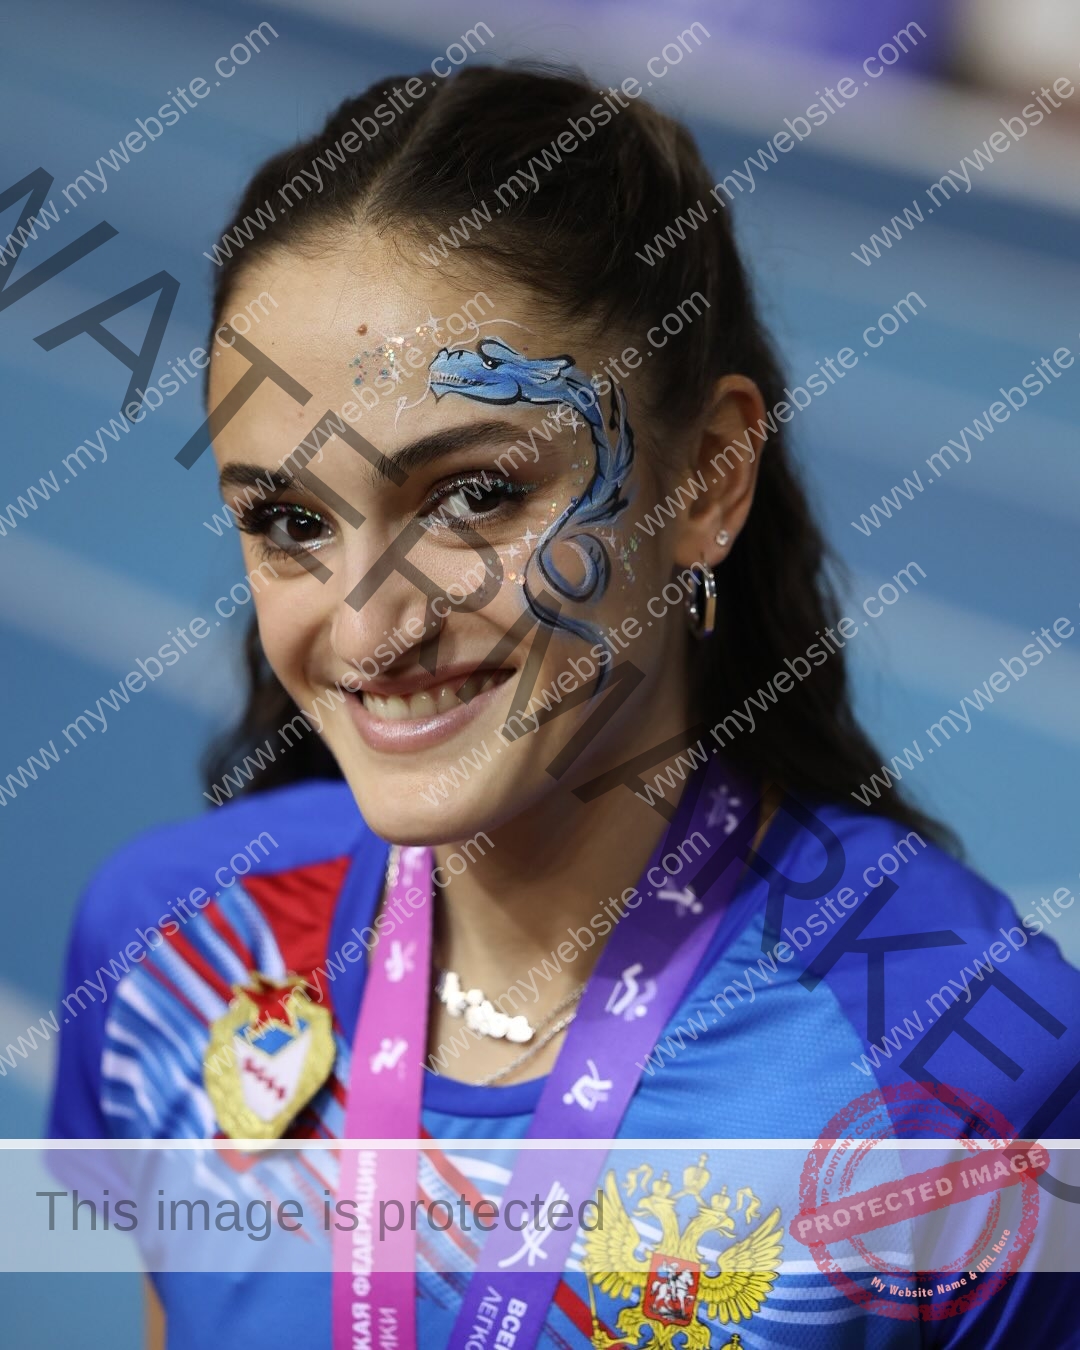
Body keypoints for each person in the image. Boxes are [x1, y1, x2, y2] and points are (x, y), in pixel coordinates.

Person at [49, 65, 1080, 1349]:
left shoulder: (960, 1067)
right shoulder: (173, 955)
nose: (370, 628)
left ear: (707, 478)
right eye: (290, 521)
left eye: (475, 496)